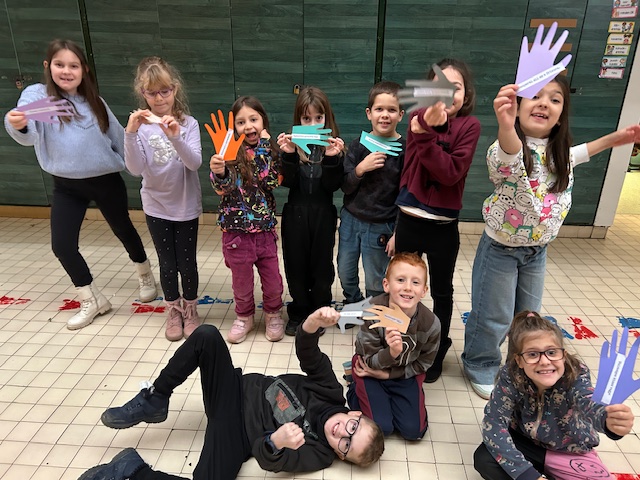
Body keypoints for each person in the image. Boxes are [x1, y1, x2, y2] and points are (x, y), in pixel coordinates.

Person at [462, 78, 640, 399]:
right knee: (493, 315)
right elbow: (510, 150)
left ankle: (518, 365)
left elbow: (584, 151)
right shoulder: (508, 148)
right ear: (518, 108)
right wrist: (506, 124)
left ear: (561, 116)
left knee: (529, 315)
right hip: (501, 249)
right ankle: (480, 362)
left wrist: (617, 138)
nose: (544, 103)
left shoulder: (560, 154)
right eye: (535, 96)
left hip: (537, 251)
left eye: (555, 99)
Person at [81, 307, 385, 480]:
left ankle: (130, 469)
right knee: (207, 335)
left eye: (346, 445)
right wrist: (312, 324)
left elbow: (269, 459)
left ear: (340, 455)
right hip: (233, 391)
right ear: (355, 414)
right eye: (352, 427)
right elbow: (308, 354)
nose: (342, 433)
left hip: (237, 435)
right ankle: (156, 397)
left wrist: (276, 442)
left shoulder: (319, 454)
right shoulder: (330, 391)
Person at [4, 39, 157, 331]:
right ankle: (91, 298)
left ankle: (144, 272)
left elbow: (119, 137)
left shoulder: (94, 102)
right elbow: (28, 134)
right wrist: (18, 123)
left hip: (105, 180)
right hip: (66, 185)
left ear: (83, 70)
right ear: (48, 66)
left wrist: (140, 168)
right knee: (62, 245)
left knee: (123, 229)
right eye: (60, 64)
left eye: (73, 65)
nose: (66, 71)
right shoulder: (37, 95)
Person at [394, 58, 481, 383]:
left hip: (444, 227)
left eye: (454, 87)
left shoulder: (470, 126)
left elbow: (450, 173)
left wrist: (426, 139)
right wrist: (425, 130)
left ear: (465, 93)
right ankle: (398, 341)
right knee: (402, 287)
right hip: (409, 219)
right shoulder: (417, 117)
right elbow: (421, 126)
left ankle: (436, 349)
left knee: (442, 292)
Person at [473, 311, 634, 480]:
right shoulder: (511, 375)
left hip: (568, 451)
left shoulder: (576, 374)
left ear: (563, 355)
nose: (544, 361)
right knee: (485, 460)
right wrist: (528, 476)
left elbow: (587, 401)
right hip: (523, 442)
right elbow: (494, 422)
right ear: (519, 361)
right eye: (532, 354)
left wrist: (607, 420)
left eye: (551, 352)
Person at [124, 57, 202, 341]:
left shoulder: (189, 124)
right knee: (167, 264)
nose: (159, 99)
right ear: (142, 93)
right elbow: (135, 169)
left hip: (186, 205)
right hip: (156, 206)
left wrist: (176, 137)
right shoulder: (140, 128)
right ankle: (173, 310)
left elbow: (194, 163)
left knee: (187, 263)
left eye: (165, 91)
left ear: (175, 89)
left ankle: (190, 309)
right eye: (152, 92)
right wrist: (130, 133)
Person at [210, 96, 284, 343]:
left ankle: (273, 314)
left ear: (263, 121)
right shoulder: (228, 152)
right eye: (241, 122)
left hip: (264, 232)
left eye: (254, 119)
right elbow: (222, 188)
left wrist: (263, 148)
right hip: (236, 234)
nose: (248, 126)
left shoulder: (270, 151)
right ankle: (244, 317)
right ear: (234, 128)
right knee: (241, 283)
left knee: (272, 281)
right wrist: (220, 171)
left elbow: (270, 181)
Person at [346, 252, 440, 440]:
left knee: (414, 432)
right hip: (369, 370)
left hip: (403, 373)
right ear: (386, 285)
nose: (408, 287)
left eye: (415, 282)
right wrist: (391, 353)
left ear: (424, 290)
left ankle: (395, 399)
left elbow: (424, 363)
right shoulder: (372, 312)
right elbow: (369, 361)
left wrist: (390, 375)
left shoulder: (431, 324)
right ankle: (354, 387)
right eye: (400, 280)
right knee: (382, 428)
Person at [277, 87, 345, 336]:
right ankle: (298, 311)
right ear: (299, 120)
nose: (313, 124)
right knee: (295, 265)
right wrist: (288, 156)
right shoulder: (292, 147)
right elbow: (286, 182)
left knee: (321, 267)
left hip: (323, 214)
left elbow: (332, 186)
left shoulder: (333, 147)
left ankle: (319, 310)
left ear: (327, 118)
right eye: (307, 118)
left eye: (319, 118)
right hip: (294, 214)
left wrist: (332, 159)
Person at [337, 81, 405, 305]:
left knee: (376, 277)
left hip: (381, 225)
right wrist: (360, 169)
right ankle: (353, 302)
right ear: (369, 113)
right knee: (345, 270)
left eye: (391, 110)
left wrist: (398, 232)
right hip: (351, 220)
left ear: (400, 115)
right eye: (379, 109)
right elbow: (345, 185)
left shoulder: (404, 151)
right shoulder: (358, 146)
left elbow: (406, 195)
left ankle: (374, 311)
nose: (385, 115)